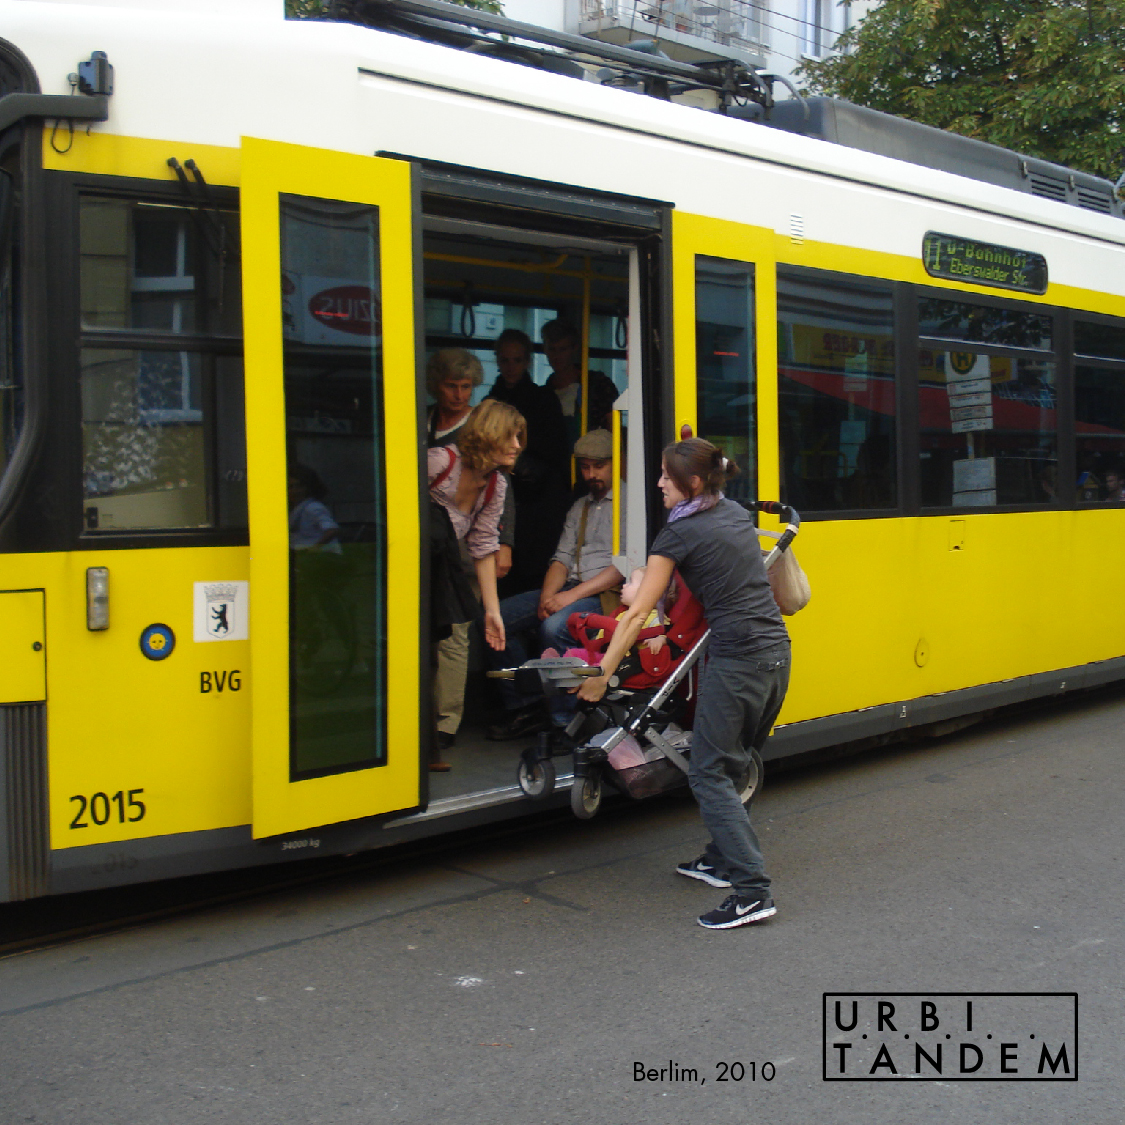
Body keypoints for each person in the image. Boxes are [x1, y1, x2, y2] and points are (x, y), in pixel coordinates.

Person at [577, 438, 790, 930]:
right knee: (735, 763)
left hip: (737, 662)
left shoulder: (679, 533)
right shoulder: (732, 512)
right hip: (776, 656)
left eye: (665, 477)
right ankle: (720, 860)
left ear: (692, 482)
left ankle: (752, 892)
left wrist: (601, 676)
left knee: (708, 772)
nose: (658, 484)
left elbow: (635, 614)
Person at [486, 428, 624, 740]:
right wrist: (547, 597)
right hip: (570, 587)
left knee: (555, 627)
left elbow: (622, 568)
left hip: (604, 594)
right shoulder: (580, 506)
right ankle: (528, 706)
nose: (591, 475)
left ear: (616, 463)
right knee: (498, 618)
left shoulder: (629, 505)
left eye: (599, 466)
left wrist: (567, 598)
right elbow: (561, 558)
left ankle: (564, 722)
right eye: (585, 467)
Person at [426, 349, 515, 756]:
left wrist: (492, 611)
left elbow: (482, 543)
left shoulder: (496, 484)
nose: (517, 446)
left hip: (451, 562)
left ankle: (444, 723)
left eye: (466, 387)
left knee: (455, 631)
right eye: (511, 438)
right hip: (417, 561)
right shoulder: (437, 461)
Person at [487, 329, 570, 593]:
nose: (511, 367)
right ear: (497, 361)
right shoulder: (489, 402)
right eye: (505, 360)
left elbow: (556, 451)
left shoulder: (543, 399)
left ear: (527, 361)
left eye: (517, 360)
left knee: (532, 572)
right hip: (499, 496)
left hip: (539, 502)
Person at [541, 319, 620, 446]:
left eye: (563, 349)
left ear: (574, 348)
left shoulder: (598, 385)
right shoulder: (542, 396)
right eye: (552, 349)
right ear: (544, 350)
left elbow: (615, 431)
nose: (557, 356)